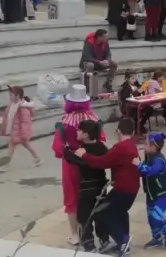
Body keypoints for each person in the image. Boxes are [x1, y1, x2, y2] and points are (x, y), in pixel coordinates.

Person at [73, 118, 141, 255]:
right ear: (133, 132)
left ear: (118, 131)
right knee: (120, 213)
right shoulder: (131, 145)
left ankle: (122, 240)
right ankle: (124, 244)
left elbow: (102, 162)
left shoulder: (120, 147)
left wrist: (84, 155)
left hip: (122, 188)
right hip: (132, 188)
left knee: (101, 213)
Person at [52, 85, 104, 244]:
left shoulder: (63, 122)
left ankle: (75, 235)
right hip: (90, 161)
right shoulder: (94, 119)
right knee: (93, 196)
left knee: (71, 198)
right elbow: (101, 140)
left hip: (70, 165)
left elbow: (57, 147)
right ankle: (98, 234)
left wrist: (69, 151)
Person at [62, 120, 110, 252]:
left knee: (84, 217)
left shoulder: (82, 150)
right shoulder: (101, 147)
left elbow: (72, 158)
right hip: (101, 187)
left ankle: (89, 244)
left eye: (79, 130)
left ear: (86, 135)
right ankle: (105, 240)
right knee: (100, 214)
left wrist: (65, 148)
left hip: (87, 189)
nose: (76, 132)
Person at [136, 132, 166, 249]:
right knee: (151, 218)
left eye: (146, 144)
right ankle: (156, 237)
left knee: (156, 216)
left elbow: (151, 171)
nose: (144, 146)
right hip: (151, 192)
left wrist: (139, 165)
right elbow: (142, 173)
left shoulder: (159, 159)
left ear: (154, 146)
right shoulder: (149, 157)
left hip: (161, 193)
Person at [0, 86, 40, 171]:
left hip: (19, 132)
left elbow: (25, 122)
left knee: (11, 147)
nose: (10, 97)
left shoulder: (22, 108)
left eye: (11, 95)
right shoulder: (13, 104)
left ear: (17, 96)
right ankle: (37, 159)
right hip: (16, 131)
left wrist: (24, 134)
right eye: (9, 95)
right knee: (26, 145)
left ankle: (5, 165)